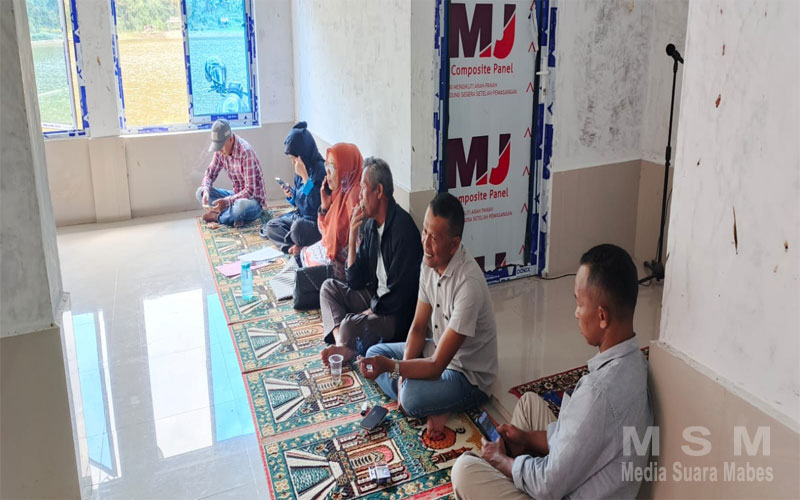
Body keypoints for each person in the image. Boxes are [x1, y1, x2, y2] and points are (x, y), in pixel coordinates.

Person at [450, 244, 653, 500]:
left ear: (602, 316)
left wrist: (502, 461)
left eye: (579, 303)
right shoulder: (637, 363)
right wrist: (526, 439)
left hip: (558, 490)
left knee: (464, 470)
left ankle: (503, 471)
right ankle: (511, 466)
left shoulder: (598, 394)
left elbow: (548, 485)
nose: (576, 313)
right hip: (589, 477)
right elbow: (579, 439)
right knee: (528, 404)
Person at [358, 193, 497, 441]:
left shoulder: (468, 285)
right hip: (437, 351)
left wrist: (394, 368)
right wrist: (402, 376)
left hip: (467, 376)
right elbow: (418, 328)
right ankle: (432, 401)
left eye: (434, 238)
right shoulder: (429, 262)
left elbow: (436, 366)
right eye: (424, 231)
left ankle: (440, 404)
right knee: (374, 353)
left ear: (454, 244)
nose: (425, 243)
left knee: (410, 398)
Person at [319, 157, 422, 364]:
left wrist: (370, 310)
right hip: (376, 299)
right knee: (328, 289)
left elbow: (400, 295)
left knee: (348, 325)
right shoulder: (371, 226)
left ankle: (346, 344)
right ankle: (343, 346)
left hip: (395, 315)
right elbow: (355, 281)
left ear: (379, 191)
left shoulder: (403, 230)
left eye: (364, 188)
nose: (359, 196)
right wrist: (352, 237)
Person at [298, 142, 363, 279]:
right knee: (288, 231)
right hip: (325, 245)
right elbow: (323, 231)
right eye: (326, 166)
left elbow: (310, 202)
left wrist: (305, 178)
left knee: (298, 231)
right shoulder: (339, 192)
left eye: (332, 168)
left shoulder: (354, 199)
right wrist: (324, 206)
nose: (327, 174)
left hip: (339, 263)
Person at [262, 121, 326, 253]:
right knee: (271, 225)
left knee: (297, 229)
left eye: (294, 158)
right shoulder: (300, 168)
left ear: (303, 154)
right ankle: (292, 246)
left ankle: (295, 241)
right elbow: (300, 202)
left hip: (314, 222)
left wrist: (305, 177)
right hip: (300, 216)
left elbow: (317, 205)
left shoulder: (320, 170)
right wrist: (292, 195)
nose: (293, 163)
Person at [196, 119, 266, 227]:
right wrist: (206, 190)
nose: (219, 150)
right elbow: (210, 174)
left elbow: (250, 191)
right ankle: (232, 216)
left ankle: (218, 217)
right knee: (199, 192)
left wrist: (226, 202)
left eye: (221, 146)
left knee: (240, 207)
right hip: (235, 196)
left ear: (230, 139)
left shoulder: (245, 152)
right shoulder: (220, 151)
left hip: (252, 201)